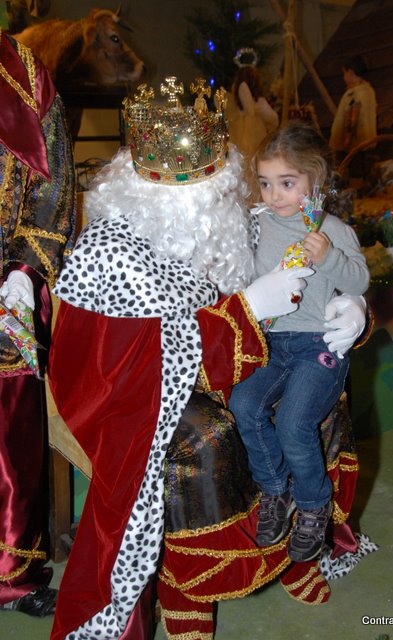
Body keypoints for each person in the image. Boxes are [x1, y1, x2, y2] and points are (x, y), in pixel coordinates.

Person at [47, 78, 368, 639]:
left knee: (317, 402)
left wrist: (355, 307)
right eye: (199, 189)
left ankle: (296, 552)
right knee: (210, 438)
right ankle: (190, 591)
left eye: (216, 186)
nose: (218, 201)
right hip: (137, 399)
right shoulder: (109, 250)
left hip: (248, 357)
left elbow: (314, 270)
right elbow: (120, 366)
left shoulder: (228, 223)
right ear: (144, 187)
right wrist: (246, 310)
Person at [229, 122, 370, 563]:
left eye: (287, 183)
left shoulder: (331, 230)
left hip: (318, 345)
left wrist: (328, 258)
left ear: (315, 179)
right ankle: (275, 489)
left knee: (293, 422)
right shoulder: (259, 225)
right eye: (266, 183)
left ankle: (313, 504)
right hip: (272, 344)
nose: (275, 195)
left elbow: (359, 280)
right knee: (244, 405)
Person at [0, 29, 75, 616]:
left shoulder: (23, 71)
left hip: (6, 290)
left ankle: (12, 574)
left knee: (12, 434)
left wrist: (26, 272)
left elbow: (55, 189)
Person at [226, 48, 279, 167]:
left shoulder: (233, 104)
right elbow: (273, 119)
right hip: (256, 148)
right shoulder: (258, 103)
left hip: (237, 149)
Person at [329, 54, 377, 164]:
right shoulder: (368, 91)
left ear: (350, 72)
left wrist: (347, 139)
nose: (344, 77)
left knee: (349, 171)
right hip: (367, 143)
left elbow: (352, 116)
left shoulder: (353, 93)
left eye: (344, 73)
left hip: (353, 147)